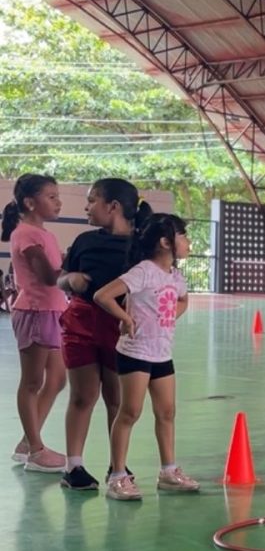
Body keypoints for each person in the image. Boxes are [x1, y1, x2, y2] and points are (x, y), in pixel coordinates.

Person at [94, 212, 198, 500]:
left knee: (167, 412)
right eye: (183, 236)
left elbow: (183, 299)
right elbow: (103, 295)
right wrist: (126, 318)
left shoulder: (175, 276)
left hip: (162, 353)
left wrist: (169, 316)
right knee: (130, 412)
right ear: (165, 242)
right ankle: (118, 476)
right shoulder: (143, 271)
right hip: (136, 352)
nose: (188, 242)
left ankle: (168, 472)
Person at [59, 178, 143, 490]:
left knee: (116, 399)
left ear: (113, 206)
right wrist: (71, 280)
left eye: (92, 200)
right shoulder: (85, 241)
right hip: (81, 323)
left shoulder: (140, 247)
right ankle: (74, 467)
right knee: (82, 396)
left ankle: (117, 465)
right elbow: (61, 279)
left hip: (120, 325)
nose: (86, 207)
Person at [2, 173, 67, 472]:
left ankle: (27, 443)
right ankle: (37, 451)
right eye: (51, 197)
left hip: (52, 311)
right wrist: (76, 265)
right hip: (36, 312)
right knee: (32, 382)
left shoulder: (44, 234)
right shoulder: (26, 234)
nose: (58, 202)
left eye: (58, 196)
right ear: (30, 203)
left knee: (57, 379)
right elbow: (48, 277)